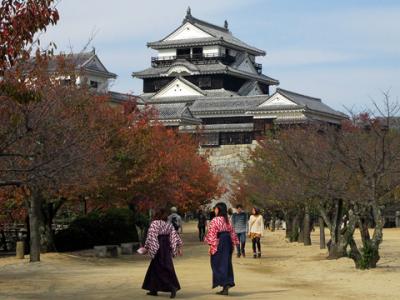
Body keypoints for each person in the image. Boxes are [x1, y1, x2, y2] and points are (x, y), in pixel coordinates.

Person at [142, 208, 183, 298]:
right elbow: (175, 236)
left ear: (156, 215)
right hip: (166, 247)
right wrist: (179, 247)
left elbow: (151, 236)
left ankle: (171, 287)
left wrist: (147, 247)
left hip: (158, 245)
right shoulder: (168, 225)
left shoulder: (155, 223)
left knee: (158, 267)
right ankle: (153, 289)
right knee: (163, 266)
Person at [204, 202, 239, 296]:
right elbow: (232, 232)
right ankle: (227, 283)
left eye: (215, 209)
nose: (214, 210)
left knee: (216, 262)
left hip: (220, 241)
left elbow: (212, 234)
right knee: (226, 263)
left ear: (218, 209)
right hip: (227, 241)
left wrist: (211, 246)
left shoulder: (215, 220)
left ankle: (224, 282)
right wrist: (234, 245)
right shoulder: (227, 220)